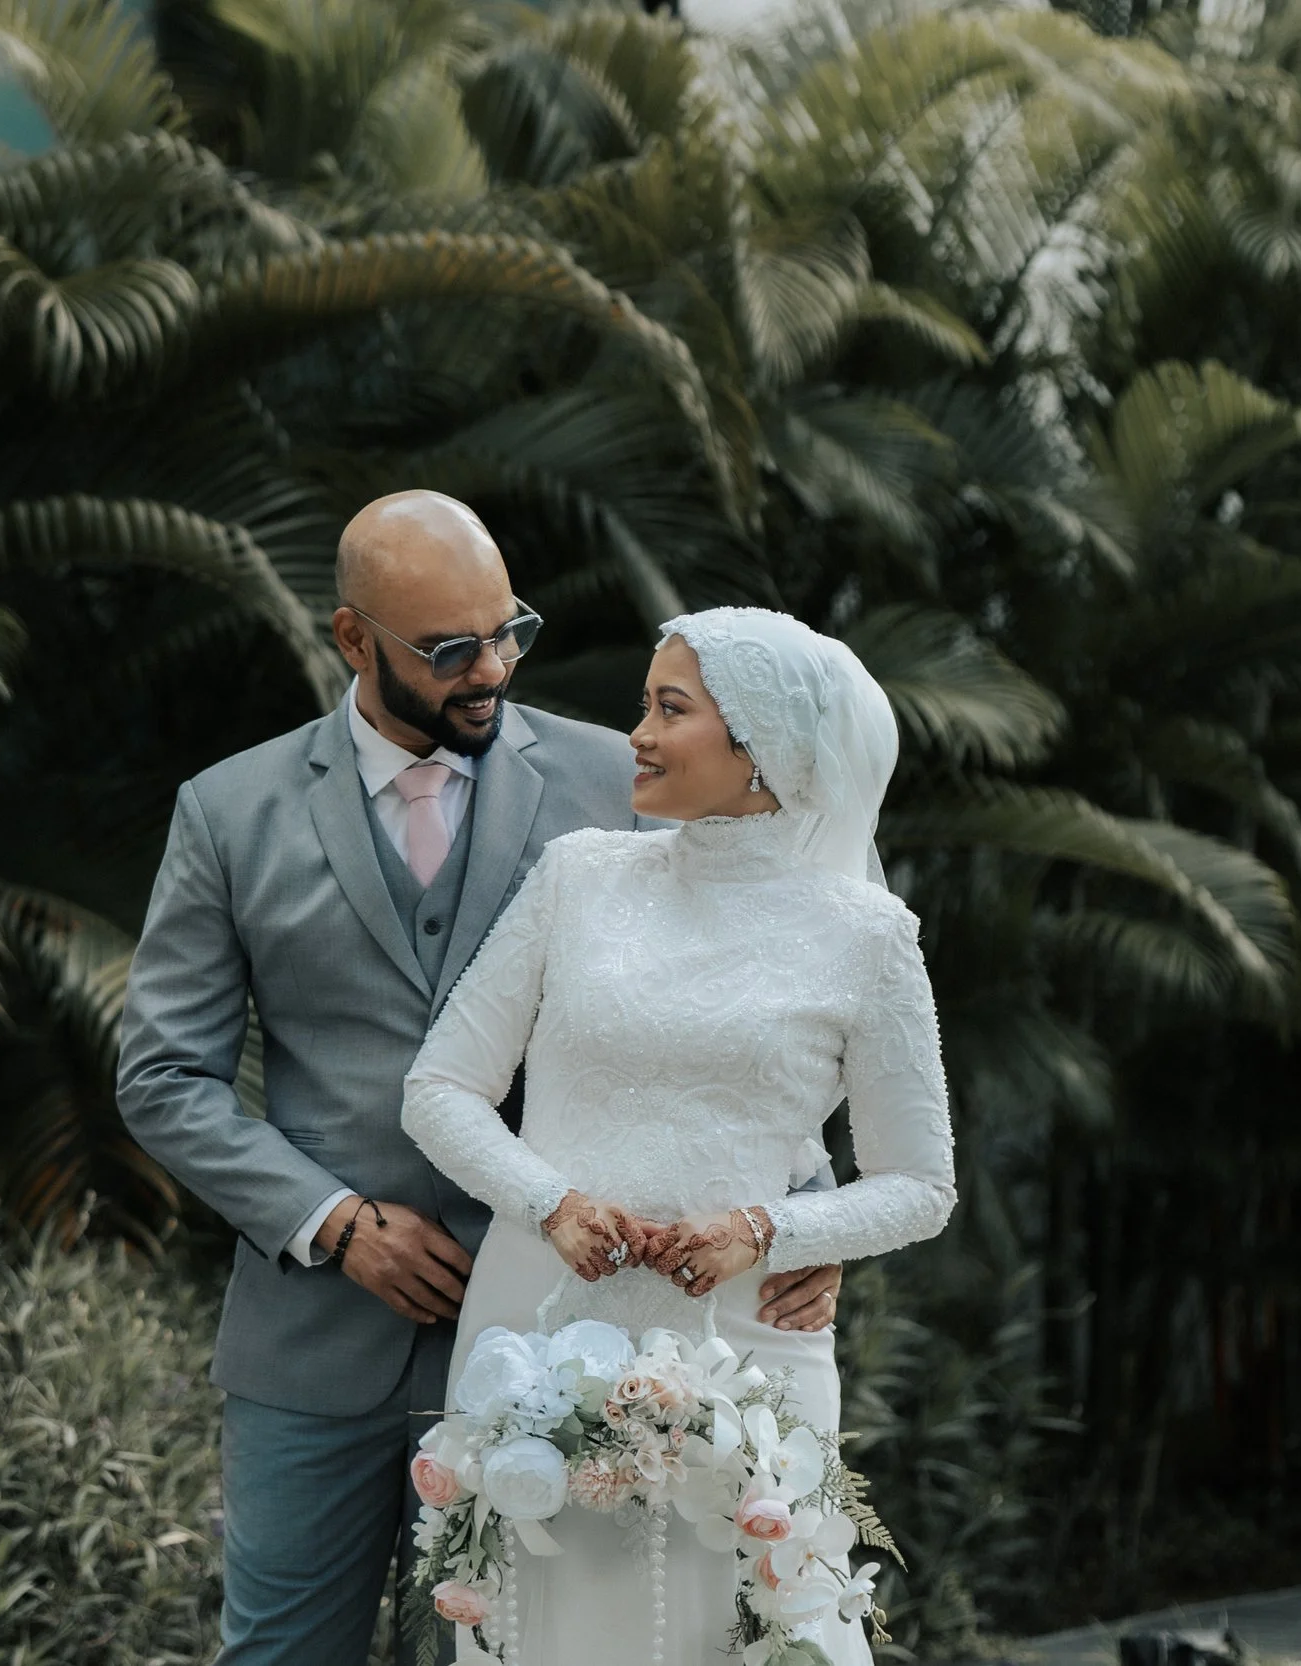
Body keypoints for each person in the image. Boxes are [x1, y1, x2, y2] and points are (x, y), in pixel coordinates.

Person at [115, 496, 846, 1666]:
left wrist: (807, 1209)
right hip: (316, 1339)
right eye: (450, 649)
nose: (492, 667)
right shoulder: (229, 812)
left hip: (578, 1333)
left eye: (508, 631)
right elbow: (162, 1075)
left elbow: (752, 995)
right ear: (354, 640)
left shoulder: (624, 780)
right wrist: (336, 1224)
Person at [402, 605, 958, 1664]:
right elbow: (440, 1090)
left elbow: (919, 1185)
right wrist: (550, 1205)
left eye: (670, 709)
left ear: (762, 748)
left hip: (745, 1355)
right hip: (536, 1337)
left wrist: (766, 1231)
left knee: (735, 1634)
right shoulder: (578, 877)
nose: (639, 735)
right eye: (643, 707)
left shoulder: (869, 938)